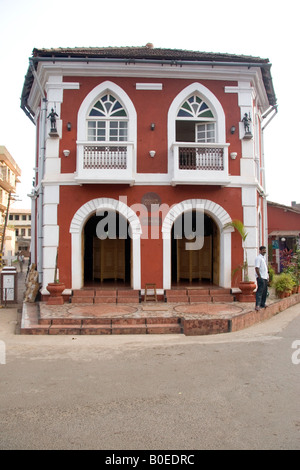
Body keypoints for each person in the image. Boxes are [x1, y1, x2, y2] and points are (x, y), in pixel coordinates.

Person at [255, 246, 268, 311]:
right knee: (260, 291)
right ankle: (257, 305)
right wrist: (259, 276)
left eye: (265, 250)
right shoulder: (258, 258)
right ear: (260, 251)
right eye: (263, 250)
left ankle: (263, 303)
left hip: (265, 277)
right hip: (261, 277)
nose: (264, 251)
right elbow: (257, 268)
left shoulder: (263, 258)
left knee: (264, 291)